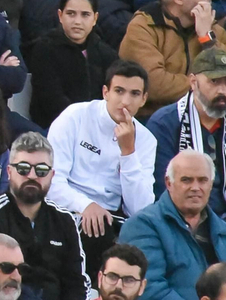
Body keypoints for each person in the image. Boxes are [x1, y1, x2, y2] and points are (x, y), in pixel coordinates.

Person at [44, 61, 157, 269]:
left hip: (113, 217)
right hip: (66, 208)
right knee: (97, 233)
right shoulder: (75, 116)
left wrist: (128, 152)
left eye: (134, 94)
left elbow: (140, 208)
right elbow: (50, 180)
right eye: (119, 91)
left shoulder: (146, 139)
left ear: (143, 99)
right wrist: (85, 205)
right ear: (105, 92)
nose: (125, 101)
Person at [146, 44, 226, 236]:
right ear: (193, 82)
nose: (222, 90)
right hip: (179, 223)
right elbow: (160, 185)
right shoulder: (165, 123)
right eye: (214, 81)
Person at [0, 133, 92, 300]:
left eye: (41, 170)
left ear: (52, 175)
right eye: (23, 168)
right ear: (9, 172)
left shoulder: (65, 220)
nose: (32, 175)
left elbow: (77, 284)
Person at [118, 151, 226, 300]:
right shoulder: (142, 226)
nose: (195, 187)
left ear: (211, 184)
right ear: (169, 183)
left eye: (202, 180)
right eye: (186, 180)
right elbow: (149, 289)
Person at [122, 0, 226, 115]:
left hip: (204, 116)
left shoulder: (212, 30)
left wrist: (208, 40)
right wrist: (208, 86)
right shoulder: (144, 27)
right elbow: (154, 84)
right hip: (153, 118)